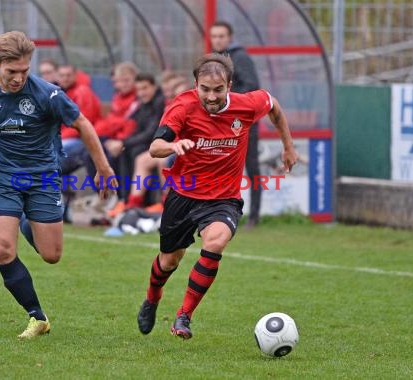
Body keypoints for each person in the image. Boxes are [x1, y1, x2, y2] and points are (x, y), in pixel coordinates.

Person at [0, 31, 116, 339]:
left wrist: (103, 167)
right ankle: (36, 316)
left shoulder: (47, 94)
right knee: (2, 249)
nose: (18, 78)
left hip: (43, 178)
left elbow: (82, 124)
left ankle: (26, 220)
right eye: (11, 71)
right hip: (1, 178)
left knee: (51, 255)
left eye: (24, 71)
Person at [136, 54, 297, 339]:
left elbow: (273, 106)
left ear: (229, 86)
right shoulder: (182, 107)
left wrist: (288, 146)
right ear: (195, 84)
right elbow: (155, 147)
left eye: (218, 89)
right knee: (169, 261)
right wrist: (174, 146)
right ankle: (152, 298)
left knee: (216, 241)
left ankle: (184, 316)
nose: (211, 96)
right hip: (184, 194)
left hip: (223, 198)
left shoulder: (246, 105)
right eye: (205, 89)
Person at [210, 20, 262, 228]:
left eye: (221, 36)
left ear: (230, 37)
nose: (217, 40)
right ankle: (222, 213)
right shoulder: (215, 60)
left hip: (243, 123)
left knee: (251, 167)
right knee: (223, 168)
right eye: (214, 36)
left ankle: (254, 216)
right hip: (222, 123)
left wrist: (226, 98)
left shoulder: (240, 58)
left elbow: (252, 87)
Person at [105, 72, 166, 216]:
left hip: (164, 144)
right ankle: (126, 201)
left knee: (134, 152)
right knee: (123, 151)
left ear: (154, 87)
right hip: (153, 144)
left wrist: (123, 142)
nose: (142, 93)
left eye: (145, 88)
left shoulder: (159, 102)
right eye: (139, 89)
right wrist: (122, 143)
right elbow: (138, 129)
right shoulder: (144, 104)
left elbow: (152, 132)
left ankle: (147, 202)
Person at [56, 63, 102, 175]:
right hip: (66, 137)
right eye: (62, 75)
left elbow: (83, 124)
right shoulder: (60, 92)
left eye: (68, 75)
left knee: (50, 157)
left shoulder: (82, 92)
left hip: (82, 139)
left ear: (75, 76)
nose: (65, 78)